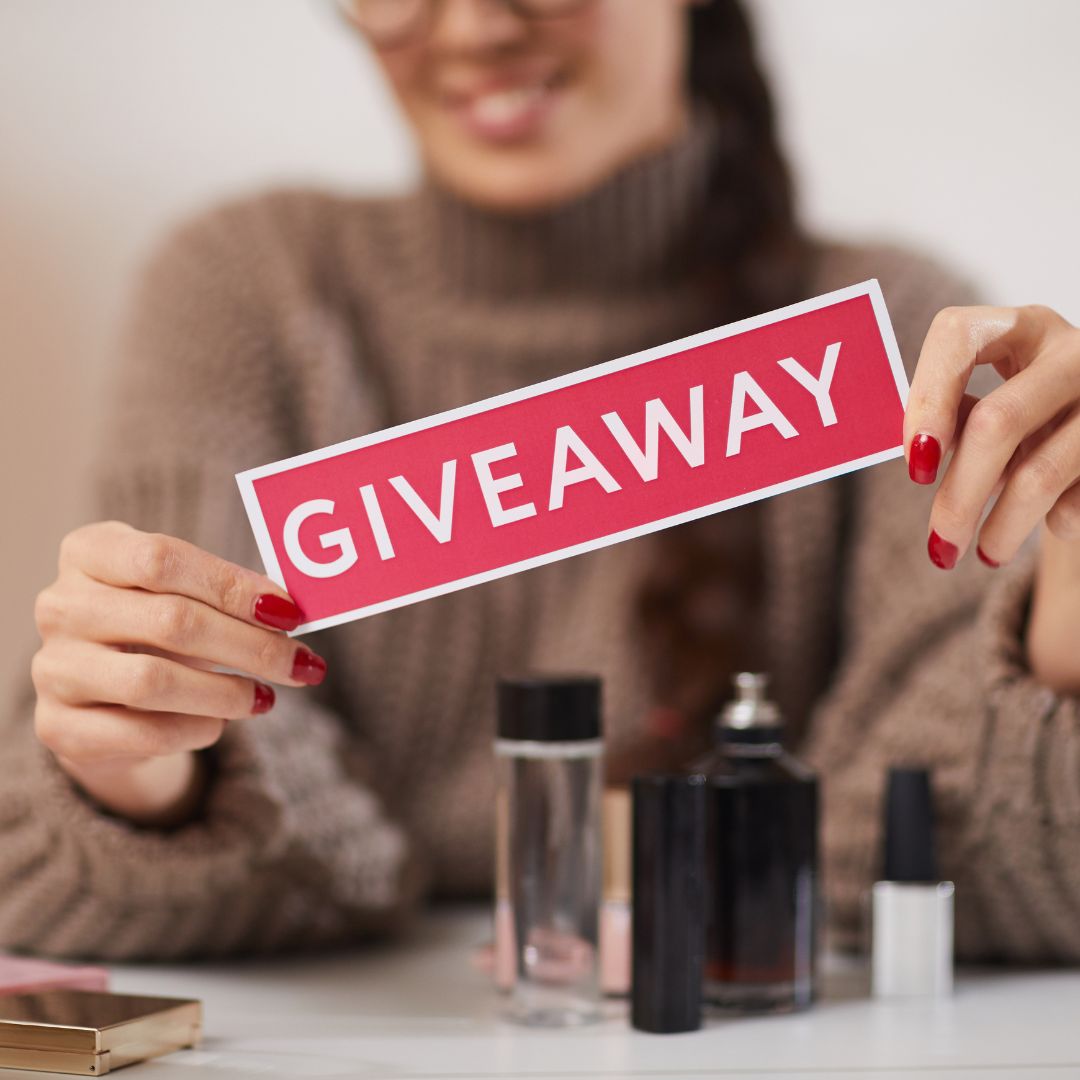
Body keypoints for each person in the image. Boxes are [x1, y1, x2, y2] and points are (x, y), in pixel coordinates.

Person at [3, 0, 1078, 963]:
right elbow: (74, 846)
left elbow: (949, 857)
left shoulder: (894, 334)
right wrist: (146, 776)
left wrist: (1071, 609)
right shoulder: (250, 288)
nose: (473, 27)